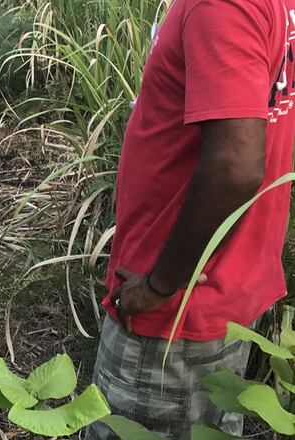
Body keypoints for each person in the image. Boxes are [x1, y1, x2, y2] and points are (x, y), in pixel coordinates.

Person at [86, 0, 295, 438]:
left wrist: (162, 284)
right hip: (230, 285)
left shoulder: (221, 6)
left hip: (175, 312)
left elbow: (235, 166)